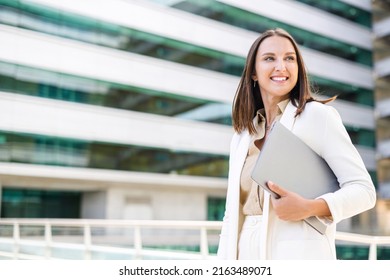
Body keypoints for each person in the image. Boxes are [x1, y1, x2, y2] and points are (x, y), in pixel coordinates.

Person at [217, 28, 376, 260]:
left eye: (289, 58)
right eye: (270, 58)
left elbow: (364, 192)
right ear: (253, 72)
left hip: (297, 256)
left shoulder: (317, 117)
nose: (281, 66)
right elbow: (231, 215)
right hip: (242, 254)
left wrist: (311, 207)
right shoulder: (242, 136)